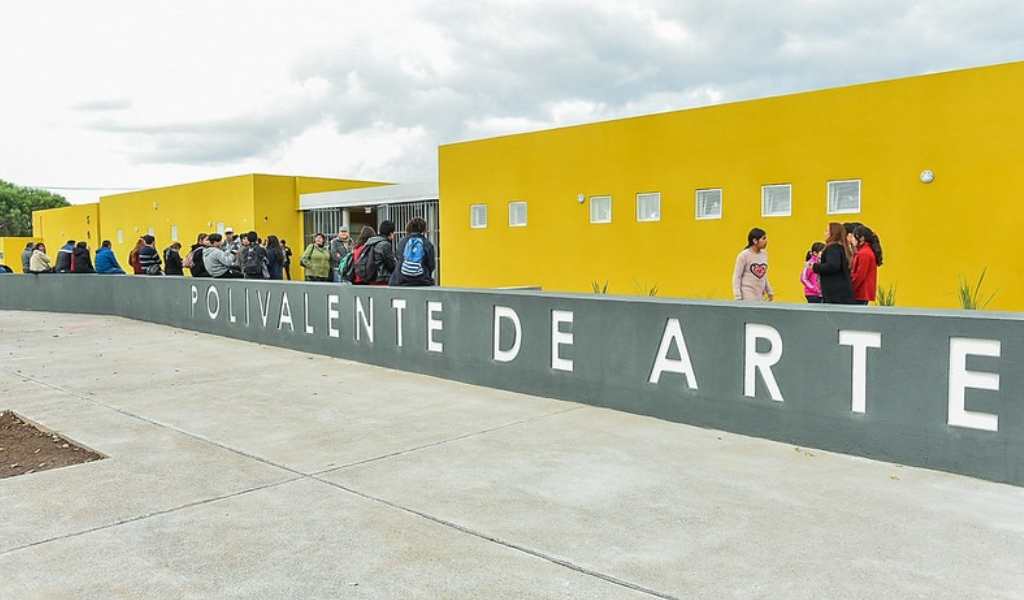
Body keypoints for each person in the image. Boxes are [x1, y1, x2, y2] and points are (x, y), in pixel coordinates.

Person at [813, 223, 855, 304]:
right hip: (842, 291)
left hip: (834, 293)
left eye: (827, 231)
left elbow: (832, 265)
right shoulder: (842, 248)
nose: (825, 233)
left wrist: (815, 267)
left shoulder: (832, 248)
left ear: (833, 233)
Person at [390, 217, 436, 286]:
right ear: (424, 229)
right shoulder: (427, 243)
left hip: (401, 280)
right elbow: (431, 265)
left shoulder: (402, 242)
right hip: (422, 281)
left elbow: (398, 257)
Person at [732, 228, 773, 302]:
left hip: (760, 295)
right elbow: (737, 277)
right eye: (763, 238)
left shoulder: (764, 254)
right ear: (755, 241)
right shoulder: (743, 255)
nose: (766, 241)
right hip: (747, 295)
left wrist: (769, 291)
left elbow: (764, 275)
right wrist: (738, 296)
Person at [851, 225, 883, 306]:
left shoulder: (864, 253)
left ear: (861, 238)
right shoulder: (866, 251)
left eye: (854, 237)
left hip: (860, 293)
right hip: (863, 293)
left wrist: (850, 288)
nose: (852, 240)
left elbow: (859, 275)